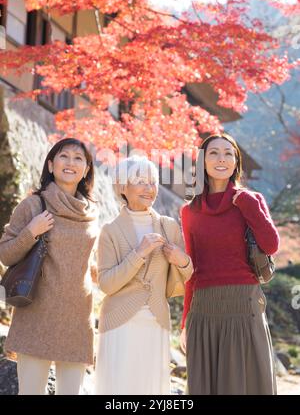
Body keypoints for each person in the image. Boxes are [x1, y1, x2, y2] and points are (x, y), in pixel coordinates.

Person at [180, 133, 279, 395]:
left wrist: (248, 205)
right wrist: (184, 323)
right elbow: (192, 271)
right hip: (203, 310)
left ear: (236, 162)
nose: (221, 159)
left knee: (246, 384)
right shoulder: (189, 211)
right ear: (202, 161)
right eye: (213, 153)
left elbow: (271, 246)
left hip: (243, 306)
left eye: (228, 153)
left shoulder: (250, 200)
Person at [0, 138, 98, 395]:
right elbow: (5, 254)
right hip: (37, 317)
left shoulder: (92, 213)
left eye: (79, 158)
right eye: (64, 156)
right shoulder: (33, 205)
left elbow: (87, 263)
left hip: (77, 320)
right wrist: (30, 232)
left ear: (87, 169)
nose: (71, 163)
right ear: (51, 165)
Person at [94, 155, 193, 395]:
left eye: (153, 182)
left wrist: (183, 261)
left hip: (156, 321)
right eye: (141, 181)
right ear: (123, 187)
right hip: (118, 322)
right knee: (117, 389)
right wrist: (138, 253)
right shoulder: (110, 231)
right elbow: (106, 284)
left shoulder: (169, 226)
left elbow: (186, 279)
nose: (149, 188)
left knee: (152, 389)